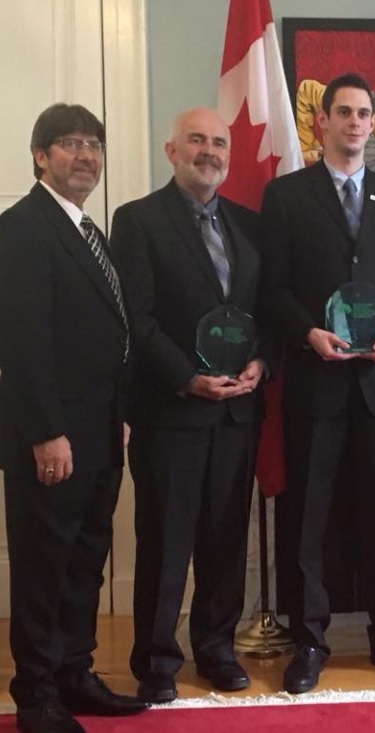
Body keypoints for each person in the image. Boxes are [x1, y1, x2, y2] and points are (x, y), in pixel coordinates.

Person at [261, 72, 375, 694]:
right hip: (316, 382)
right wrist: (307, 332)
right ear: (324, 123)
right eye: (343, 112)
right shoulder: (286, 196)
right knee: (310, 519)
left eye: (364, 113)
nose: (355, 122)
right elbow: (274, 291)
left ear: (374, 122)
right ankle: (309, 641)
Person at [110, 108, 267, 703]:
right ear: (172, 150)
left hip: (237, 411)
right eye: (196, 140)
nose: (209, 151)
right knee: (165, 540)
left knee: (226, 540)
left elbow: (264, 313)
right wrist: (186, 378)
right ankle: (155, 660)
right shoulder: (138, 221)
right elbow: (138, 320)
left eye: (219, 142)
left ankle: (217, 649)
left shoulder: (250, 226)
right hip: (172, 410)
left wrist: (263, 363)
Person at [0, 104, 147, 733]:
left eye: (94, 144)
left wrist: (118, 416)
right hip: (52, 435)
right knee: (44, 566)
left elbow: (104, 334)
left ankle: (74, 674)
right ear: (40, 156)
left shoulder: (89, 230)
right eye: (69, 144)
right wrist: (46, 431)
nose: (85, 155)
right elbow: (22, 340)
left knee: (87, 559)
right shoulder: (23, 228)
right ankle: (35, 696)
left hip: (99, 429)